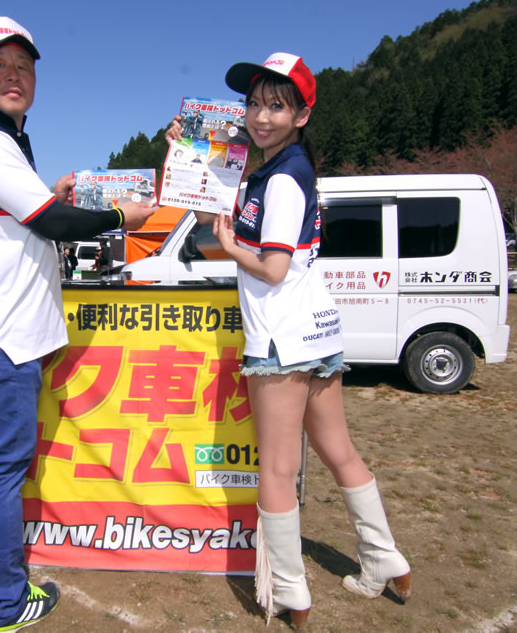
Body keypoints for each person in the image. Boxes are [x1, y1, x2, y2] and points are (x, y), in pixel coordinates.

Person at [0, 16, 155, 631]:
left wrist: (50, 194)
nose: (13, 75)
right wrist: (121, 217)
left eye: (23, 65)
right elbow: (52, 224)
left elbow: (14, 218)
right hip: (1, 338)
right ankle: (3, 605)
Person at [166, 52, 410, 629]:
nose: (260, 116)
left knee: (276, 470)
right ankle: (385, 558)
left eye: (276, 106)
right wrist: (187, 154)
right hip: (314, 331)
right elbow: (213, 229)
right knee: (338, 451)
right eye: (254, 103)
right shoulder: (274, 171)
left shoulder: (282, 178)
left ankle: (290, 591)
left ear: (301, 115)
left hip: (281, 338)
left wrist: (231, 248)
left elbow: (271, 269)